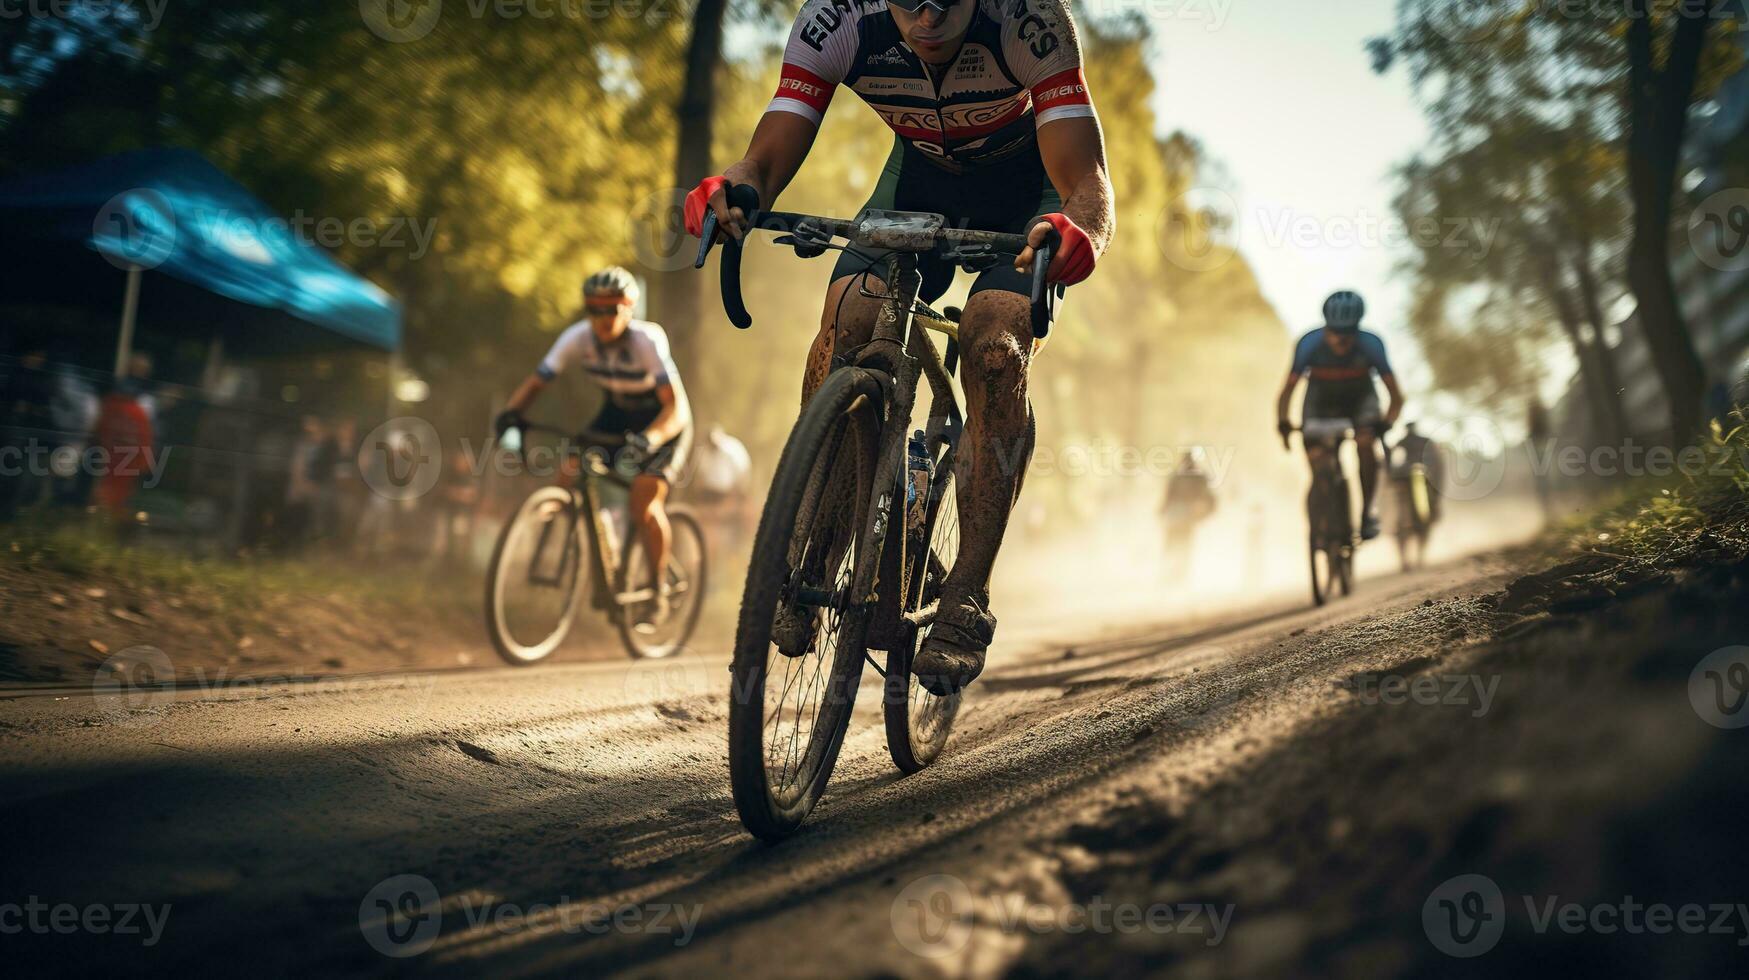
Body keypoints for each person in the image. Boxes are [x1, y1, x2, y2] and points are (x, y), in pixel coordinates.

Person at [685, 0, 1116, 695]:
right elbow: (765, 153)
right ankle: (812, 550)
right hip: (917, 181)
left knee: (994, 345)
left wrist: (1080, 232)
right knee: (845, 328)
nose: (926, 13)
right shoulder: (835, 20)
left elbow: (1086, 180)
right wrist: (737, 187)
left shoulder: (1028, 19)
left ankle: (966, 595)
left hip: (1028, 197)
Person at [495, 267, 693, 629]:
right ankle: (571, 541)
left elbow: (675, 407)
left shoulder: (646, 341)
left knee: (643, 500)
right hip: (617, 412)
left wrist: (651, 439)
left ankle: (657, 590)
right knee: (569, 470)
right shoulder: (577, 338)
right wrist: (511, 414)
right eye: (595, 310)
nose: (603, 319)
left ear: (629, 309)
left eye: (612, 309)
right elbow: (536, 383)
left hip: (663, 420)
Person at [1276, 291, 1404, 541]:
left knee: (1366, 444)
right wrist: (1283, 423)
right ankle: (1321, 511)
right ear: (1326, 328)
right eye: (1335, 333)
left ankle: (1368, 512)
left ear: (1357, 330)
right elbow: (1286, 392)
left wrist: (1385, 424)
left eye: (1348, 335)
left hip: (1360, 401)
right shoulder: (1308, 344)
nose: (1341, 341)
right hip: (1319, 402)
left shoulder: (1371, 344)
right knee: (1317, 456)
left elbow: (1396, 397)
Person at [1160, 450, 1216, 583]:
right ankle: (1173, 575)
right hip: (1181, 516)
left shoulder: (1185, 477)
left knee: (1178, 545)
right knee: (1178, 545)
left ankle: (1176, 576)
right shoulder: (1194, 477)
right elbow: (1168, 496)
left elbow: (1168, 497)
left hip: (1181, 516)